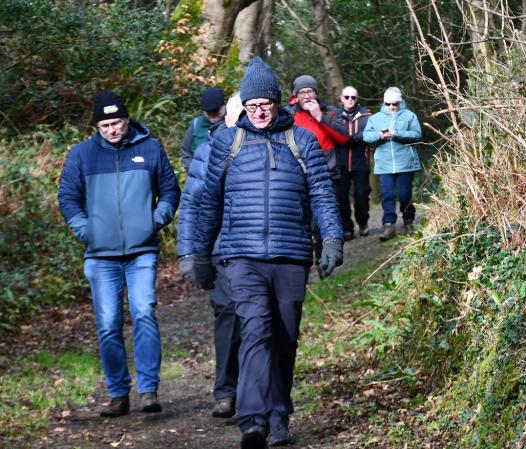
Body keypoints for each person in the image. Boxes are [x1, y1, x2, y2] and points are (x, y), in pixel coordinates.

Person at [183, 57, 344, 449]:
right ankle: (252, 420)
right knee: (256, 331)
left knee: (285, 337)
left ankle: (278, 415)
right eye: (251, 107)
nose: (257, 113)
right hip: (243, 256)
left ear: (277, 103)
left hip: (290, 256)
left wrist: (333, 240)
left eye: (264, 106)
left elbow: (323, 194)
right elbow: (209, 204)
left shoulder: (301, 140)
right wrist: (199, 255)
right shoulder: (227, 141)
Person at [57, 90, 180, 417]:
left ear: (127, 120)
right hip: (100, 256)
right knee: (109, 324)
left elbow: (170, 189)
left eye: (117, 122)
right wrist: (87, 231)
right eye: (105, 124)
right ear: (97, 126)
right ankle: (118, 393)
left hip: (142, 252)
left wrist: (156, 220)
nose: (112, 129)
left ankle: (149, 390)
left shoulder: (150, 148)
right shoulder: (81, 155)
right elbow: (68, 198)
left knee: (144, 312)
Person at [177, 94, 246, 419]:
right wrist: (190, 254)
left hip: (263, 251)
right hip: (221, 250)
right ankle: (226, 390)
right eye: (238, 114)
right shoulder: (208, 151)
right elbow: (191, 204)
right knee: (229, 314)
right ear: (226, 118)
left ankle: (256, 394)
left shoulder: (276, 144)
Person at [289, 75, 349, 271]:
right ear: (295, 96)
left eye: (310, 91)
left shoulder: (329, 112)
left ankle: (324, 261)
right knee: (306, 222)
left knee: (323, 220)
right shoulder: (288, 116)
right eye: (302, 92)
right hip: (299, 177)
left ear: (316, 93)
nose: (307, 95)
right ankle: (307, 261)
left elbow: (343, 137)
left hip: (330, 175)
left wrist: (319, 117)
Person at [362, 86, 422, 241]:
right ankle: (389, 225)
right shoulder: (375, 118)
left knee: (404, 195)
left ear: (400, 101)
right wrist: (380, 135)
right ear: (384, 102)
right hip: (384, 164)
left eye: (394, 104)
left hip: (405, 163)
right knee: (387, 195)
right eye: (388, 104)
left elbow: (417, 134)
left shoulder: (410, 116)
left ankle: (408, 221)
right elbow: (366, 136)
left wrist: (397, 134)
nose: (391, 107)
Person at [334, 86, 372, 240]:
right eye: (347, 97)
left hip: (360, 161)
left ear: (357, 99)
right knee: (341, 196)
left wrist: (356, 137)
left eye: (353, 97)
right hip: (340, 162)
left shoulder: (367, 115)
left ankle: (363, 223)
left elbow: (373, 132)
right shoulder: (334, 116)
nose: (350, 100)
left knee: (361, 194)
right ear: (341, 98)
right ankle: (347, 228)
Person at [180, 86, 227, 171]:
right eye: (209, 113)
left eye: (216, 112)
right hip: (199, 178)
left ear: (224, 105)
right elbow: (185, 151)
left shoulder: (232, 123)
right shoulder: (196, 124)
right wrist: (193, 170)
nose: (213, 117)